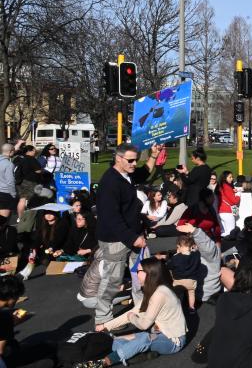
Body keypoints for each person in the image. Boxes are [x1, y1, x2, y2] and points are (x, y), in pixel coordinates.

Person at [78, 144, 161, 330]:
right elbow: (111, 218)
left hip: (133, 235)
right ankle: (103, 319)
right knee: (112, 280)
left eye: (135, 160)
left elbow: (142, 173)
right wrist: (133, 238)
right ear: (118, 159)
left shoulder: (126, 175)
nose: (134, 164)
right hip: (115, 239)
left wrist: (153, 156)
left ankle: (142, 309)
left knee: (141, 275)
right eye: (130, 160)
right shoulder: (110, 183)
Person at [100, 258, 187, 365]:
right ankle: (137, 356)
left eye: (138, 271)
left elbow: (144, 325)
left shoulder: (160, 293)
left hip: (174, 341)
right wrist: (105, 326)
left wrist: (131, 317)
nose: (136, 274)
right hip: (157, 332)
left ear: (149, 273)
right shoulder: (153, 290)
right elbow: (134, 311)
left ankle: (105, 362)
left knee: (143, 338)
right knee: (117, 340)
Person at [167, 235, 201, 312]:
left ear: (178, 246)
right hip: (191, 280)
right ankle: (191, 308)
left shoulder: (176, 258)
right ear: (191, 246)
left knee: (178, 294)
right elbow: (197, 252)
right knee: (191, 293)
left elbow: (169, 266)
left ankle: (178, 308)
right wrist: (195, 249)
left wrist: (176, 255)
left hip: (178, 280)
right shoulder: (196, 255)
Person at [0, 275, 26, 367]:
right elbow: (0, 351)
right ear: (12, 297)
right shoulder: (5, 319)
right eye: (17, 297)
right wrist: (11, 324)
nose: (17, 300)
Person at [216, 171, 241, 237]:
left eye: (232, 177)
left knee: (225, 232)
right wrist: (238, 194)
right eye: (230, 177)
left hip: (221, 211)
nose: (232, 178)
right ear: (225, 178)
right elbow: (235, 201)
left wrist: (232, 191)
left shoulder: (221, 186)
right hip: (227, 212)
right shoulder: (227, 187)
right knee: (231, 232)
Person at [0, 144, 16, 220]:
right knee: (3, 221)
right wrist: (13, 195)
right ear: (11, 152)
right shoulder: (8, 164)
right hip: (4, 193)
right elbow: (10, 182)